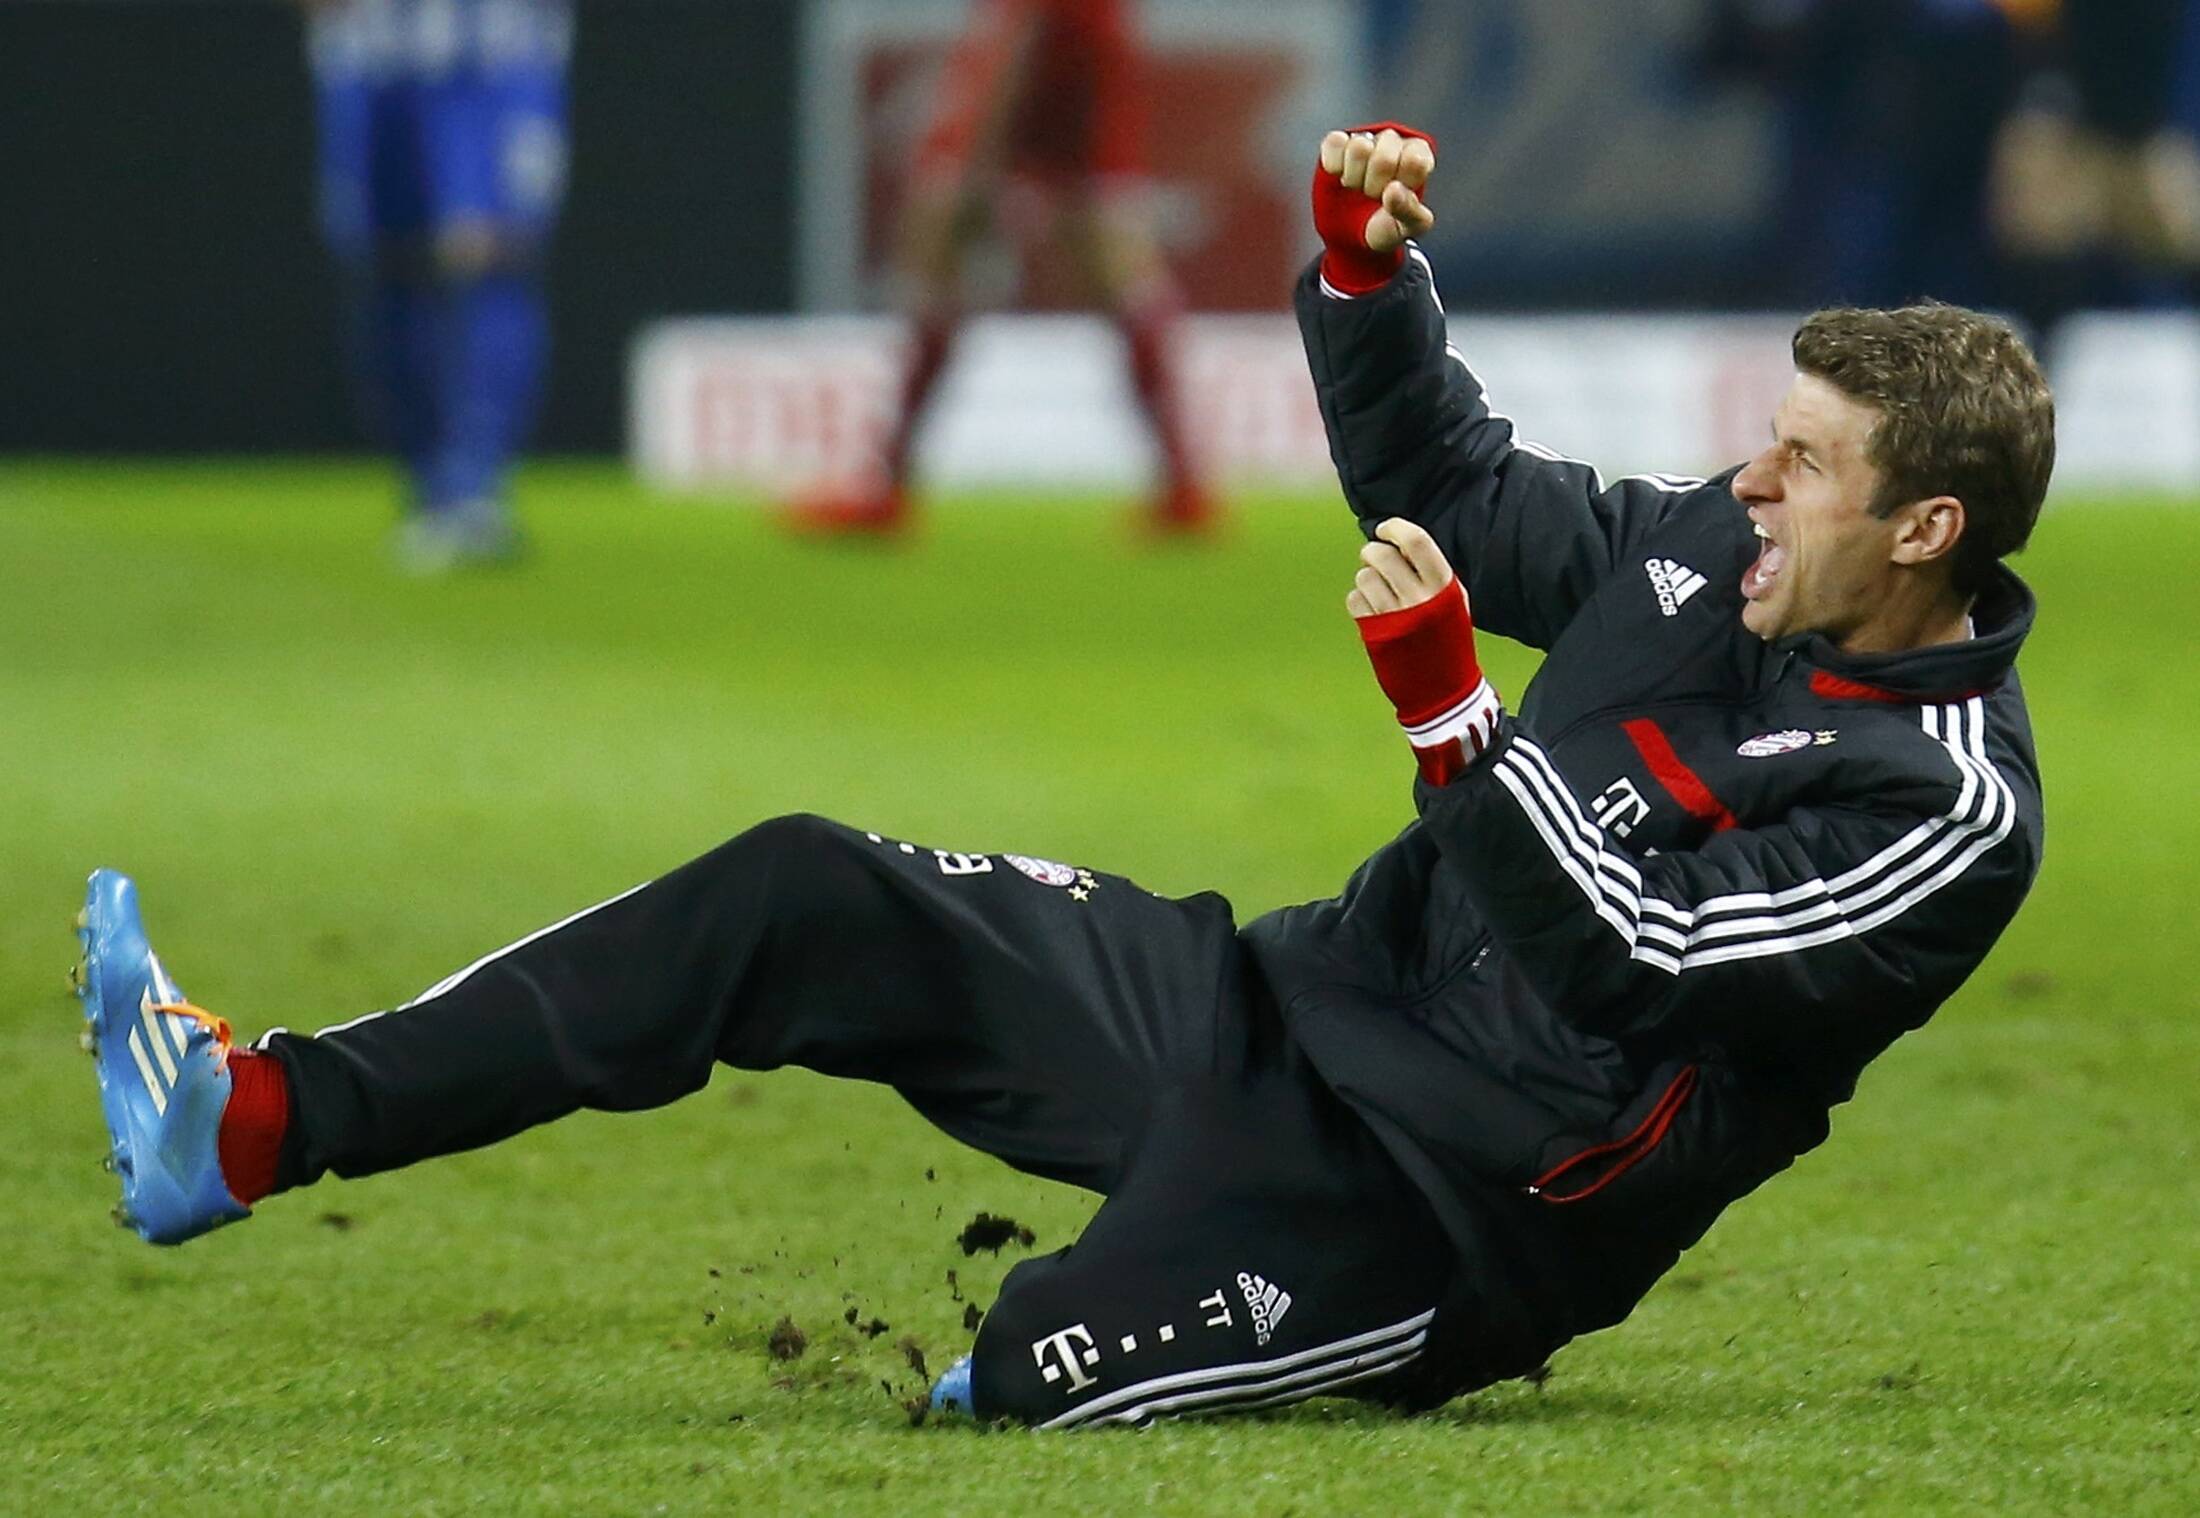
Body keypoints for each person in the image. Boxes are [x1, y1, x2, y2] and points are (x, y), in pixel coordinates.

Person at [74, 124, 2051, 1428]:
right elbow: (1453, 485)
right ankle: (246, 1121)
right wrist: (1365, 287)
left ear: (1924, 531)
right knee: (802, 888)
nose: (1747, 475)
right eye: (1765, 438)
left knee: (1012, 1390)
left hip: (1445, 1210)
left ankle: (1114, 1325)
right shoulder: (1713, 543)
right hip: (1283, 1000)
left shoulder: (1942, 811)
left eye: (1801, 460)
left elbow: (1642, 962)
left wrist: (1455, 728)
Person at [789, 0, 1214, 536]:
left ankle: (884, 486)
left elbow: (1022, 42)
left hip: (1051, 111)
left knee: (959, 271)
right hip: (1077, 106)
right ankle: (1184, 488)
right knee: (1119, 286)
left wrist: (974, 163)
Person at [302, 0, 573, 571]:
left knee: (495, 256)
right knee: (389, 267)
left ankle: (478, 490)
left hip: (498, 61)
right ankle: (429, 487)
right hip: (372, 62)